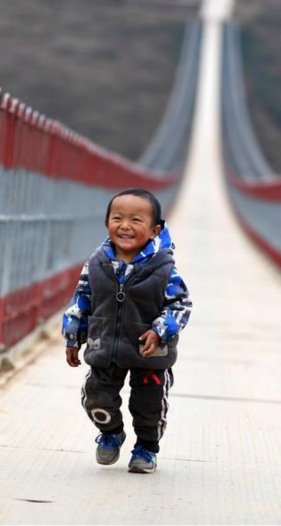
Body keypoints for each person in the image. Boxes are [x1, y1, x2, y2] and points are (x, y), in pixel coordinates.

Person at [62, 188, 192, 473]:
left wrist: (160, 330)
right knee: (96, 395)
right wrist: (74, 334)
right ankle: (111, 432)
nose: (125, 226)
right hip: (105, 342)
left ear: (155, 229)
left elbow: (181, 305)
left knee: (150, 405)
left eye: (136, 220)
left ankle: (146, 448)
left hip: (151, 349)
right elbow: (82, 297)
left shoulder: (165, 267)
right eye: (117, 218)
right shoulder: (96, 263)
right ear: (106, 222)